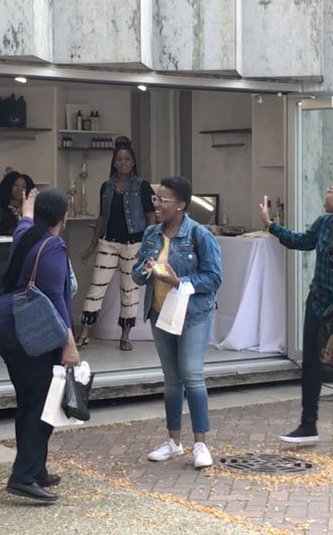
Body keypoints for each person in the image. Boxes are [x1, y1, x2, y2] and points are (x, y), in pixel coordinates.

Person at [260, 164, 333, 447]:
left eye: (331, 190)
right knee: (312, 366)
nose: (326, 194)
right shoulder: (324, 224)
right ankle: (308, 425)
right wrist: (271, 225)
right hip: (317, 307)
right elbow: (302, 242)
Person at [0, 187, 79, 502]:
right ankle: (23, 476)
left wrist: (27, 208)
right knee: (42, 402)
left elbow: (24, 220)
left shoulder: (26, 233)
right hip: (27, 330)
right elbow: (55, 299)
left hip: (2, 322)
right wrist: (70, 343)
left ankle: (35, 469)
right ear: (63, 218)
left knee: (29, 398)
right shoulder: (53, 246)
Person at [131, 175, 222, 470]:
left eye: (163, 199)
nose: (157, 204)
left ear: (180, 205)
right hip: (160, 312)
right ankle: (173, 441)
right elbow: (135, 273)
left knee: (191, 375)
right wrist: (146, 271)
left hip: (193, 313)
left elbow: (214, 277)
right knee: (171, 379)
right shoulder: (151, 234)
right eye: (156, 198)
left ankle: (201, 444)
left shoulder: (199, 235)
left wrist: (178, 280)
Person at [78, 138, 156, 350]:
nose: (123, 163)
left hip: (134, 244)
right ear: (114, 162)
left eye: (127, 159)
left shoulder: (142, 186)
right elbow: (102, 217)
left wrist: (149, 245)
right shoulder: (107, 186)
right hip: (108, 242)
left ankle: (125, 336)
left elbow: (151, 217)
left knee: (129, 290)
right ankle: (84, 333)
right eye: (119, 159)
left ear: (133, 162)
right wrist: (92, 244)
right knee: (96, 286)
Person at [0, 170, 35, 237]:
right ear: (8, 187)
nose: (19, 189)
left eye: (24, 187)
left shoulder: (33, 211)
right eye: (15, 185)